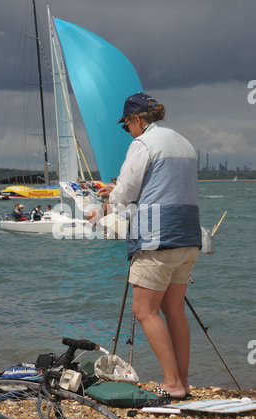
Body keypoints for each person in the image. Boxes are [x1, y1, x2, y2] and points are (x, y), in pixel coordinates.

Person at [88, 92, 202, 399]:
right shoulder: (185, 144)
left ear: (137, 119)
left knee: (144, 311)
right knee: (173, 310)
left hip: (156, 238)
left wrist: (102, 209)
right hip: (189, 236)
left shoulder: (143, 144)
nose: (128, 131)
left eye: (127, 125)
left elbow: (124, 194)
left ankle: (172, 384)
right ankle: (183, 383)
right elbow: (164, 185)